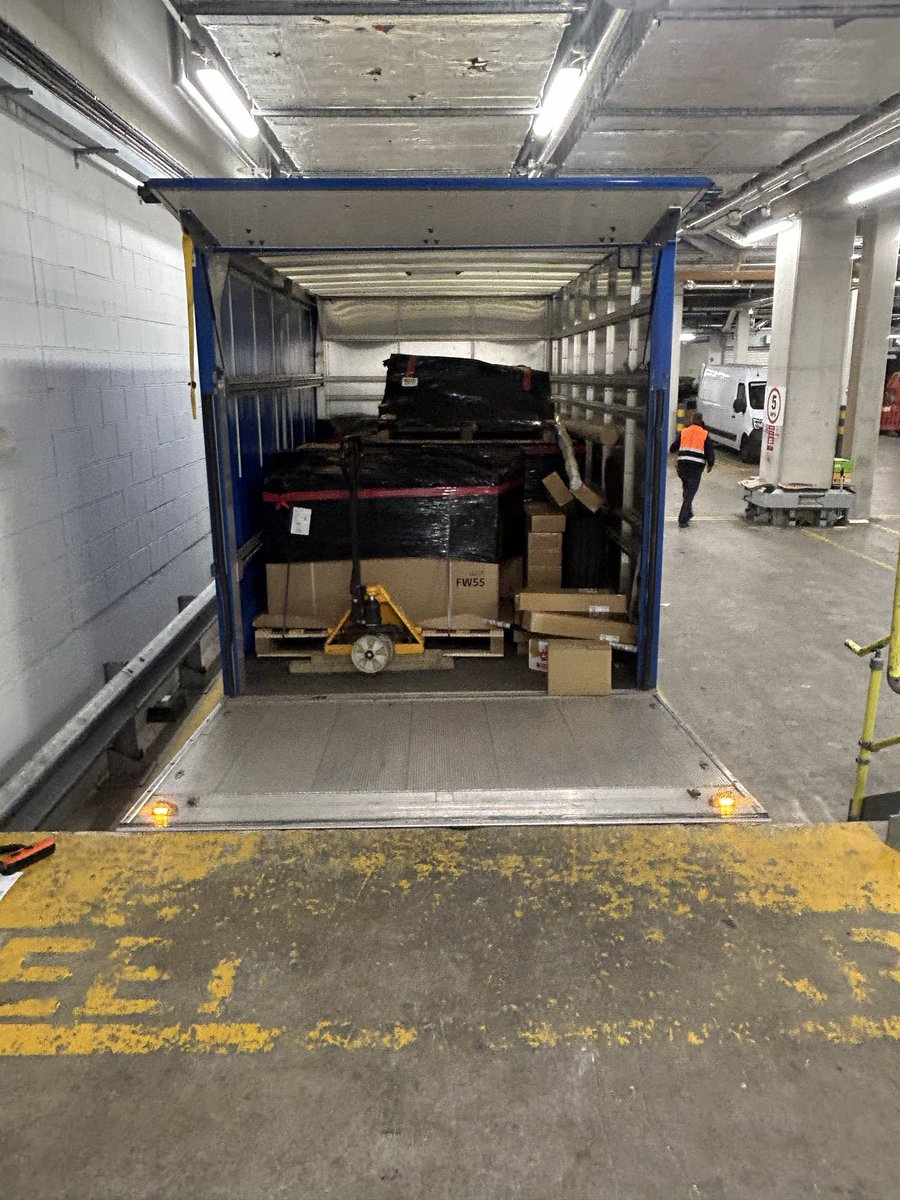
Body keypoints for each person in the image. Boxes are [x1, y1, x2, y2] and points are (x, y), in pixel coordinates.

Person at [669, 412, 715, 528]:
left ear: (691, 420)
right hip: (695, 469)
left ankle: (688, 513)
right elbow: (710, 452)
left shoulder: (684, 432)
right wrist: (710, 465)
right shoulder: (705, 435)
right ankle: (682, 519)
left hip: (682, 467)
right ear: (701, 421)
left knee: (686, 490)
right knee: (690, 493)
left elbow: (673, 447)